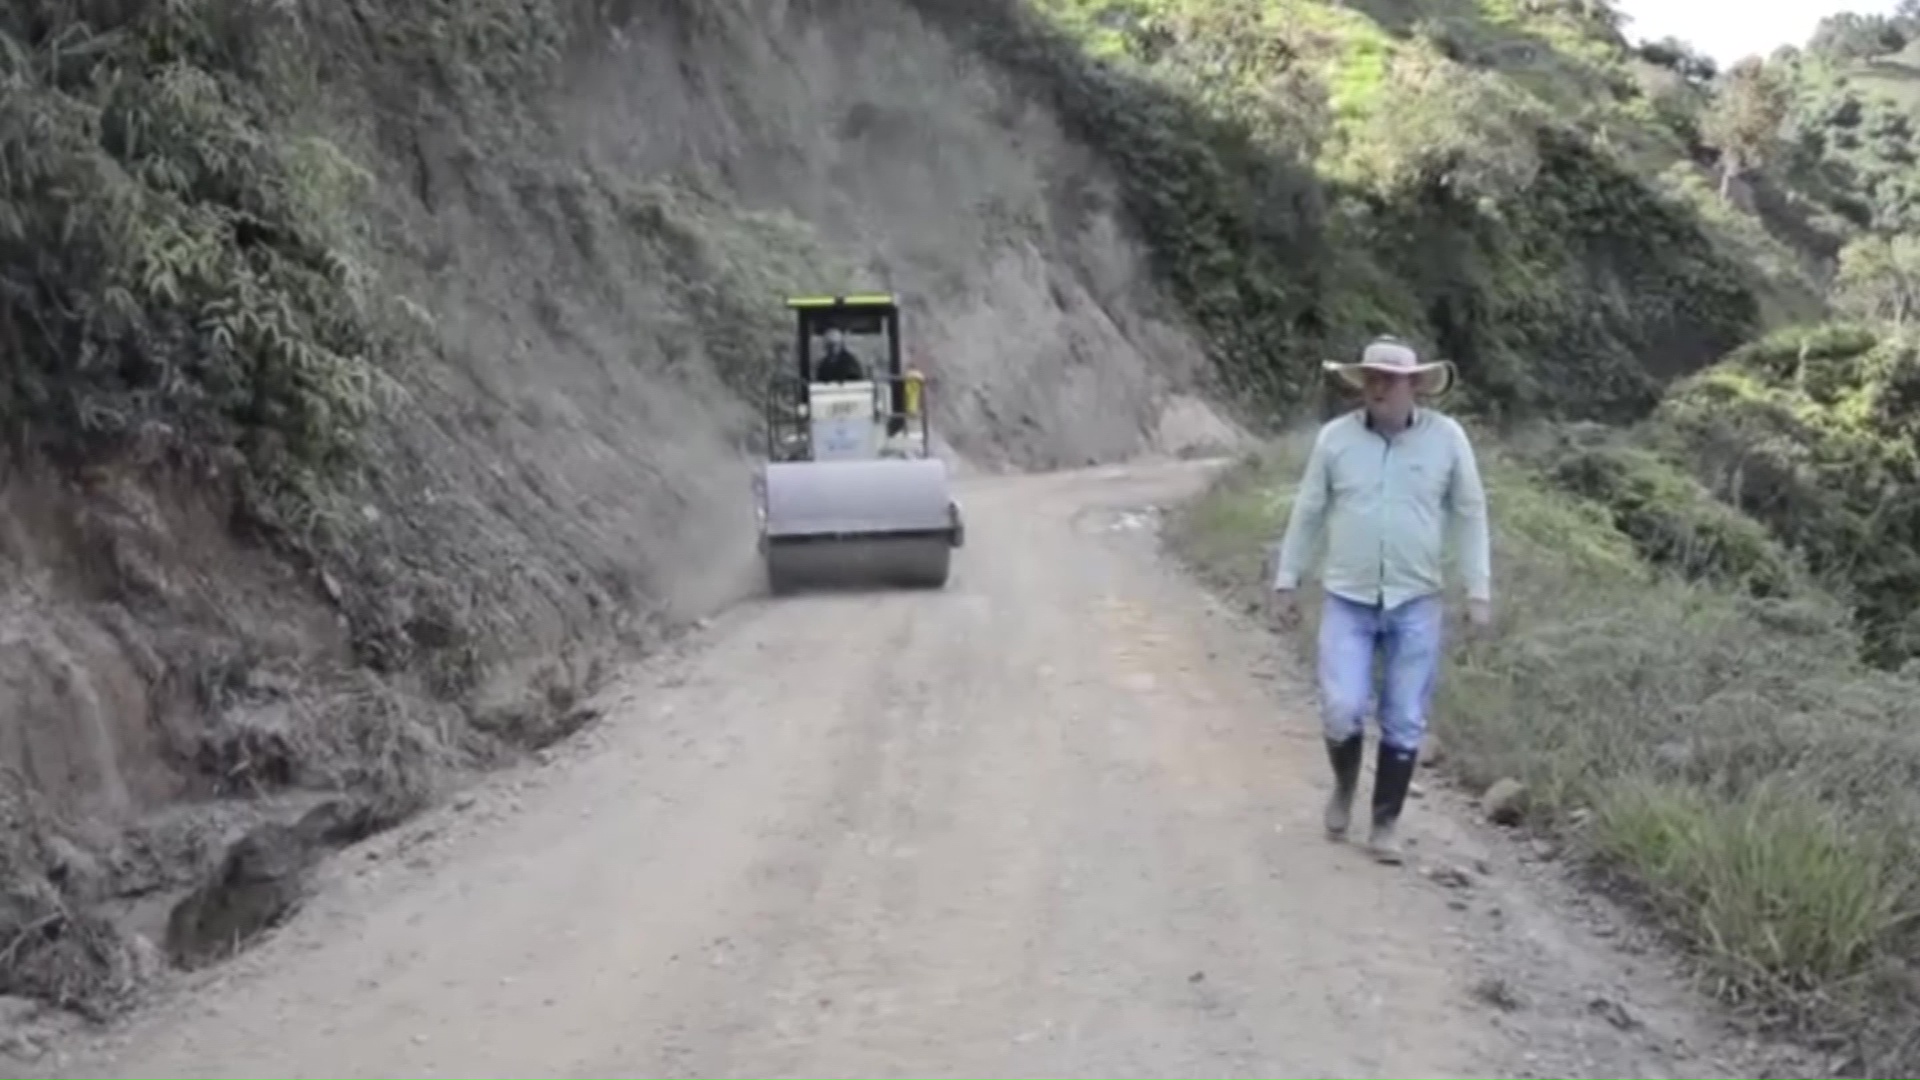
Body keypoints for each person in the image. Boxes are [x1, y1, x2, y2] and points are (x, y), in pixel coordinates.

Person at [1267, 335, 1493, 865]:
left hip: (1417, 599)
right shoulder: (1335, 440)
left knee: (1405, 715)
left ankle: (1385, 822)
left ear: (1414, 385)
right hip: (1348, 596)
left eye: (1388, 379)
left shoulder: (1448, 439)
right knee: (1341, 708)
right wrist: (1286, 579)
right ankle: (1345, 785)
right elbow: (1308, 512)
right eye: (1369, 377)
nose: (1376, 387)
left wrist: (1478, 589)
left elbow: (1469, 512)